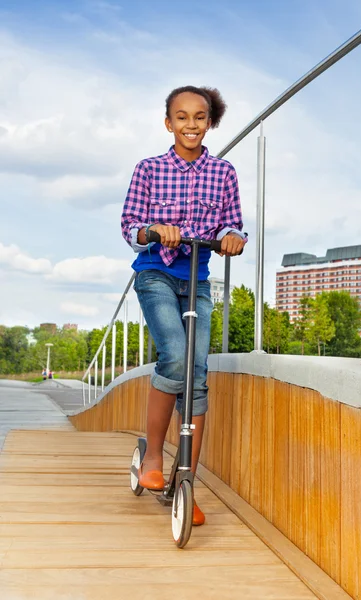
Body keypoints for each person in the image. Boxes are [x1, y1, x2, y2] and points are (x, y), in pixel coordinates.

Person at [121, 85, 246, 526]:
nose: (190, 124)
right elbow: (129, 225)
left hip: (197, 279)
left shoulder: (224, 172)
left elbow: (233, 221)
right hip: (156, 273)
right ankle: (153, 456)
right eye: (181, 116)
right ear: (168, 122)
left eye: (199, 117)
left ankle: (183, 479)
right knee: (176, 355)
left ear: (209, 122)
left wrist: (234, 236)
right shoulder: (149, 169)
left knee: (197, 375)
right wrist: (155, 227)